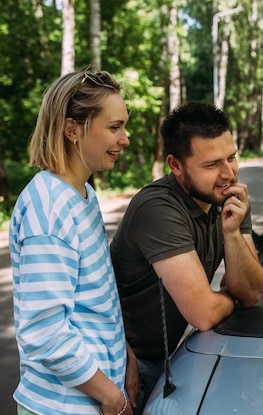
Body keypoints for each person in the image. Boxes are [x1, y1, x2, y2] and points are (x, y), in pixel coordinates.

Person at [110, 102, 263, 413]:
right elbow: (204, 314)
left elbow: (250, 291)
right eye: (211, 165)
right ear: (176, 165)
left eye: (232, 158)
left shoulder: (227, 196)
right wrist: (227, 299)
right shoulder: (158, 209)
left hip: (174, 354)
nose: (228, 173)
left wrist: (233, 234)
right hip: (125, 362)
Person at [9, 71, 132, 415]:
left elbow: (95, 300)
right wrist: (111, 396)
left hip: (91, 397)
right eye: (114, 127)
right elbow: (45, 331)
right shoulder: (49, 207)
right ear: (72, 129)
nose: (125, 139)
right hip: (60, 406)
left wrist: (124, 358)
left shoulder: (84, 195)